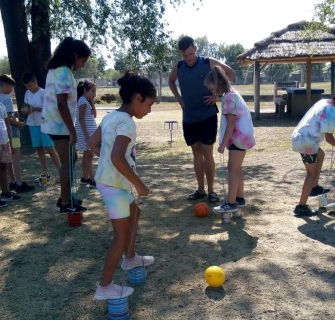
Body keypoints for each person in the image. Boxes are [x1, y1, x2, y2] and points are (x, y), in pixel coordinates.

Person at [88, 71, 155, 300]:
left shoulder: (110, 116)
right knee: (121, 234)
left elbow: (92, 143)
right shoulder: (127, 123)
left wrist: (106, 160)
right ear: (137, 98)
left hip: (111, 182)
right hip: (114, 185)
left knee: (135, 212)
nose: (149, 110)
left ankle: (130, 257)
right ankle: (105, 287)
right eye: (149, 104)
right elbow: (118, 157)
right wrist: (140, 185)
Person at [168, 36, 236, 203]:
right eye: (185, 55)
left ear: (195, 49)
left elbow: (231, 74)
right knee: (196, 152)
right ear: (181, 54)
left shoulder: (208, 62)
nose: (189, 58)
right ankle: (200, 190)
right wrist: (179, 99)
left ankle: (212, 191)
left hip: (207, 115)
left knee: (207, 152)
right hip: (189, 116)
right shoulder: (179, 66)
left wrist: (218, 96)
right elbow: (171, 81)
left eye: (191, 54)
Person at [41, 37, 91, 214]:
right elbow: (61, 104)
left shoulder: (55, 70)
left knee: (71, 160)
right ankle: (66, 202)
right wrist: (73, 132)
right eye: (83, 60)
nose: (83, 65)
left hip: (55, 125)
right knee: (67, 163)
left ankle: (65, 197)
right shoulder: (62, 72)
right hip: (59, 126)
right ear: (75, 55)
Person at [204, 66, 255, 213]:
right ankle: (239, 198)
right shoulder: (233, 93)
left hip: (238, 138)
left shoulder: (228, 98)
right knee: (237, 168)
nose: (212, 92)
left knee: (232, 169)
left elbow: (231, 123)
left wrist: (223, 143)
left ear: (218, 84)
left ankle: (231, 203)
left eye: (212, 88)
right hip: (244, 137)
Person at [291, 88, 335, 217]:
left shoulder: (324, 102)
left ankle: (315, 187)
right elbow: (329, 138)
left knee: (321, 155)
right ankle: (301, 206)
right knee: (311, 174)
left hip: (302, 137)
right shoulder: (331, 110)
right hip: (306, 141)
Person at [21, 72, 61, 185]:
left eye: (30, 85)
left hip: (44, 124)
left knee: (49, 147)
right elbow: (25, 106)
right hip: (33, 124)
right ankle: (45, 175)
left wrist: (34, 109)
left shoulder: (43, 93)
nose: (29, 88)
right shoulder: (27, 93)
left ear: (35, 82)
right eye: (26, 86)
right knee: (39, 148)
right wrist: (25, 110)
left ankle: (60, 172)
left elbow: (48, 109)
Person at [0, 74, 35, 193]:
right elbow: (8, 119)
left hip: (1, 133)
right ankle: (19, 183)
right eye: (11, 88)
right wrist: (19, 124)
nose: (12, 91)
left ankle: (13, 180)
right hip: (12, 132)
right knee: (17, 157)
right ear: (6, 86)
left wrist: (14, 114)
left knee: (9, 157)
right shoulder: (7, 99)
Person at [0, 77, 21, 207]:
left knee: (3, 166)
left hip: (4, 142)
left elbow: (6, 123)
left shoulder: (1, 105)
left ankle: (5, 192)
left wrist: (10, 141)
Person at [75, 80, 97, 188]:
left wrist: (92, 101)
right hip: (85, 132)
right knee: (89, 155)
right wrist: (86, 135)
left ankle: (84, 177)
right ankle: (92, 179)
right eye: (92, 91)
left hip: (89, 131)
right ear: (85, 90)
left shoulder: (86, 100)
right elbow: (81, 118)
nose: (94, 93)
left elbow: (95, 115)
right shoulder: (82, 101)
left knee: (87, 155)